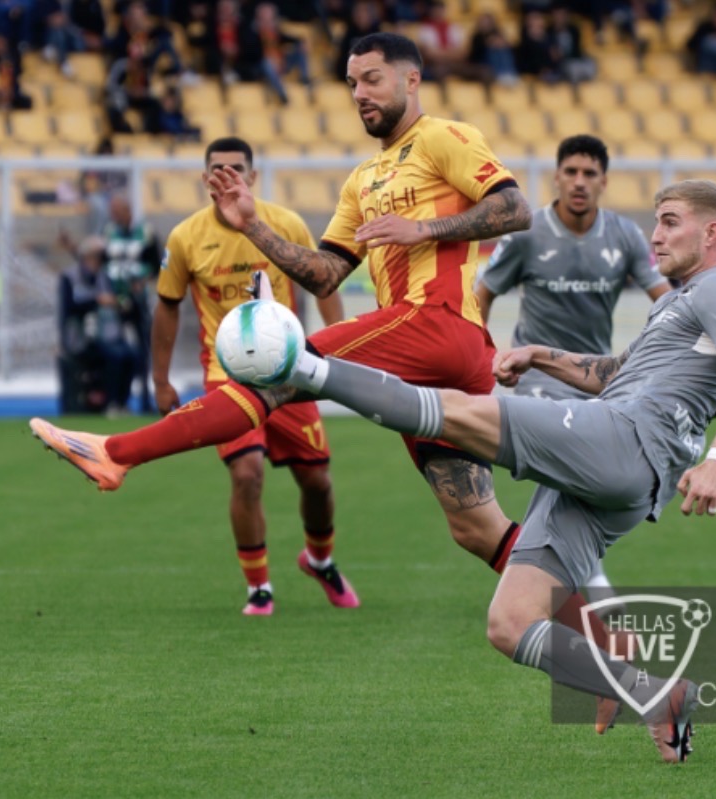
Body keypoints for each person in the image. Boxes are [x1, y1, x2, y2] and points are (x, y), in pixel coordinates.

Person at [244, 179, 716, 763]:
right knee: (510, 624)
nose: (656, 234)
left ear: (712, 232)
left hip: (625, 443)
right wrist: (541, 354)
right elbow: (614, 374)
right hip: (619, 470)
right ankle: (652, 695)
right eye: (657, 220)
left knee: (453, 411)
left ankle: (301, 366)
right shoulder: (678, 300)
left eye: (671, 221)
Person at [30, 32, 540, 601]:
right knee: (475, 527)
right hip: (436, 359)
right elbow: (324, 273)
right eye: (352, 84)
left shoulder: (444, 137)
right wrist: (252, 224)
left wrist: (424, 228)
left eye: (372, 79)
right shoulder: (362, 180)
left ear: (410, 79)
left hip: (435, 323)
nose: (360, 94)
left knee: (275, 372)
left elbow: (516, 208)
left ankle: (115, 454)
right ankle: (591, 621)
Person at [154, 137, 356, 615]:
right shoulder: (185, 237)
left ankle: (320, 560)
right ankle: (258, 587)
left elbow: (321, 280)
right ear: (205, 179)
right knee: (247, 475)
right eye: (217, 169)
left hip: (290, 373)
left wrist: (339, 343)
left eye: (237, 169)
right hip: (228, 377)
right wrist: (160, 379)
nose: (227, 176)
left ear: (253, 177)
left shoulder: (284, 224)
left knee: (318, 481)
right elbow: (166, 307)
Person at [476, 133, 669, 608]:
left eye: (589, 174)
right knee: (559, 463)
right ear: (557, 177)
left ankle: (545, 571)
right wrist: (483, 357)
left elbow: (664, 299)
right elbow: (480, 295)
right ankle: (588, 579)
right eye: (571, 172)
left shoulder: (623, 235)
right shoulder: (526, 234)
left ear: (604, 181)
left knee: (580, 473)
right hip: (536, 376)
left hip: (595, 380)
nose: (579, 182)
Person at [57, 235, 136, 414]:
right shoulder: (69, 277)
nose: (99, 261)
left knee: (131, 355)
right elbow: (68, 309)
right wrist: (97, 301)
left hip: (107, 335)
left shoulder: (104, 277)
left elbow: (119, 300)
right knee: (115, 356)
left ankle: (121, 403)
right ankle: (110, 403)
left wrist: (121, 304)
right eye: (96, 257)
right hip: (80, 339)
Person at [102, 193, 160, 413]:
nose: (113, 215)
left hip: (140, 302)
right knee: (118, 351)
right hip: (114, 303)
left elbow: (158, 263)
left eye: (117, 210)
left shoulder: (146, 233)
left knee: (144, 351)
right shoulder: (108, 233)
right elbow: (101, 263)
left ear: (128, 211)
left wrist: (142, 282)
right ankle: (116, 400)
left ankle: (146, 400)